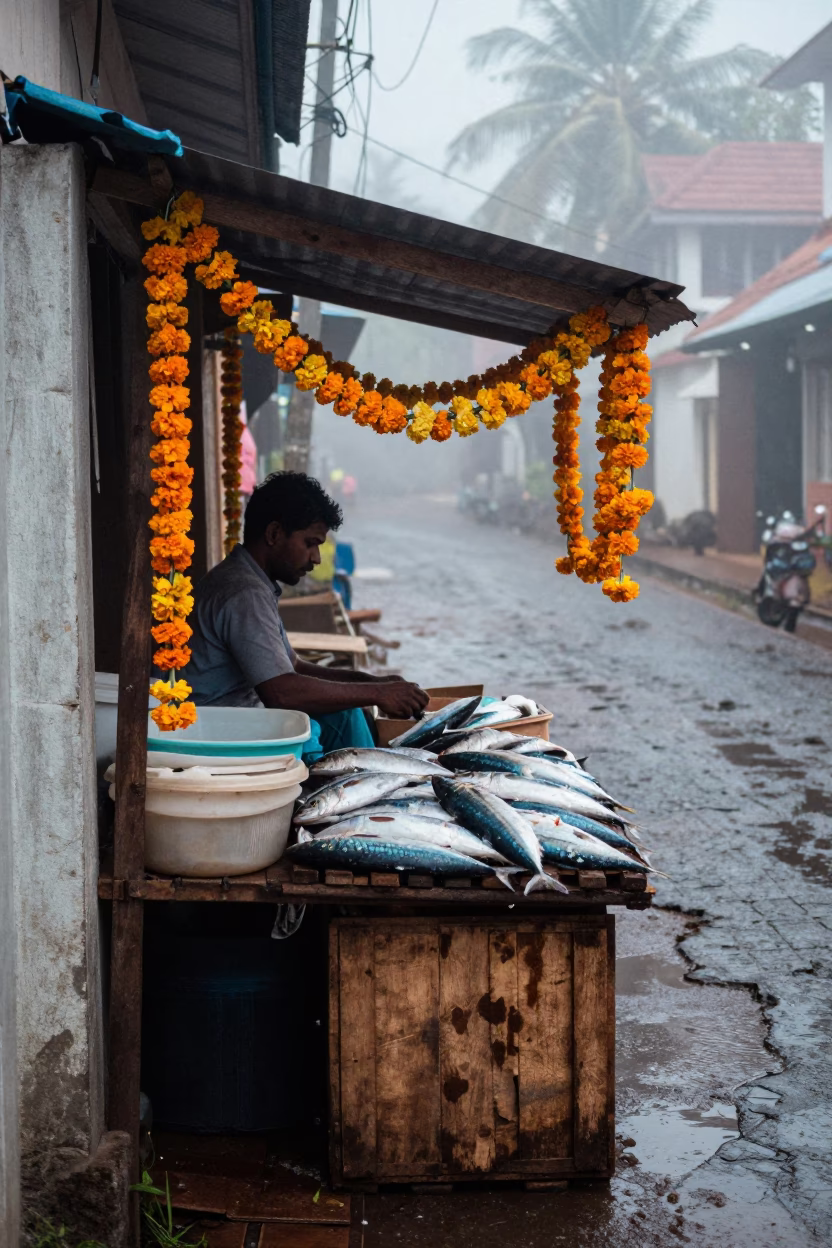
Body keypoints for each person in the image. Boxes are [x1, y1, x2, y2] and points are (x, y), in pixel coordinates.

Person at [183, 471, 429, 754]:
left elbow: (294, 667)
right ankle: (357, 785)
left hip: (237, 719)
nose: (316, 558)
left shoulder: (250, 582)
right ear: (274, 534)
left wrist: (372, 683)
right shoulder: (244, 592)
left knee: (347, 713)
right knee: (336, 720)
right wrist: (376, 693)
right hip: (214, 731)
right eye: (310, 543)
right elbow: (281, 693)